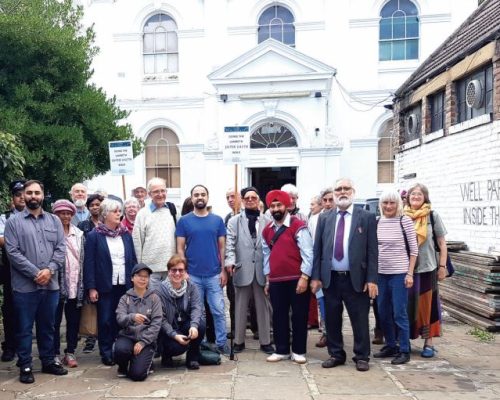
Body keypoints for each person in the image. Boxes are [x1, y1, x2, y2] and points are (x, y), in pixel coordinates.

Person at [311, 178, 378, 372]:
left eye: (346, 188)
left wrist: (372, 279)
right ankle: (336, 354)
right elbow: (318, 249)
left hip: (356, 278)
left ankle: (362, 356)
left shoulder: (365, 217)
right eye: (338, 189)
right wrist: (315, 277)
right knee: (332, 318)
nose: (342, 192)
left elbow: (373, 251)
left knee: (360, 319)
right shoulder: (325, 217)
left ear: (353, 191)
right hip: (330, 278)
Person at [4, 180, 68, 383]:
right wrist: (36, 273)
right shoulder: (14, 222)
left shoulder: (54, 221)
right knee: (23, 328)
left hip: (51, 286)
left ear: (43, 195)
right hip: (25, 287)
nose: (33, 196)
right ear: (24, 195)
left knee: (48, 326)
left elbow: (60, 248)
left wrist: (49, 270)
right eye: (29, 192)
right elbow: (12, 252)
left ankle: (48, 361)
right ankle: (25, 365)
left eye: (37, 192)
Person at [176, 184, 229, 355]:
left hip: (214, 275)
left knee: (218, 310)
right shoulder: (184, 221)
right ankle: (202, 343)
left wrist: (223, 271)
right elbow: (180, 249)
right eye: (196, 194)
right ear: (192, 198)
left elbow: (222, 248)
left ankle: (221, 343)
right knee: (198, 313)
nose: (200, 197)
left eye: (203, 194)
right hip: (193, 276)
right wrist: (184, 272)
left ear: (208, 197)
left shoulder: (217, 220)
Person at [83, 199, 137, 366]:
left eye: (119, 211)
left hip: (125, 284)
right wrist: (91, 287)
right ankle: (106, 352)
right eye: (115, 211)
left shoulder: (125, 234)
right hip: (105, 285)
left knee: (121, 319)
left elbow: (132, 259)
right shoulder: (94, 236)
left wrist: (136, 282)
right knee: (105, 320)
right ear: (105, 214)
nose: (118, 214)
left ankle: (120, 349)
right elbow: (89, 263)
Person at [262, 190, 313, 364]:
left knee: (299, 315)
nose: (276, 209)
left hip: (297, 278)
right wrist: (268, 279)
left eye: (279, 205)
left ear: (286, 206)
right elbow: (266, 255)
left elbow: (308, 253)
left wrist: (305, 277)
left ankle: (299, 350)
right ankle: (282, 349)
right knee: (279, 315)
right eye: (272, 206)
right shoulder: (267, 231)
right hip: (276, 280)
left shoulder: (298, 226)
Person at [225, 187, 274, 354]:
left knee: (263, 306)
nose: (251, 200)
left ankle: (265, 341)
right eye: (247, 198)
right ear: (243, 200)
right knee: (240, 306)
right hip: (241, 269)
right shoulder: (234, 221)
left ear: (258, 200)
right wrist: (230, 261)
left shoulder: (268, 220)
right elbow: (230, 244)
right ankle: (238, 341)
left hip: (262, 269)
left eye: (254, 197)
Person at [373, 189, 418, 365]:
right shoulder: (377, 222)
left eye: (392, 203)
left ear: (398, 204)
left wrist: (409, 273)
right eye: (385, 203)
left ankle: (404, 349)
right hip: (380, 274)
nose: (388, 206)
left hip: (399, 273)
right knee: (382, 312)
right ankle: (391, 345)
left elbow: (414, 250)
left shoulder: (404, 221)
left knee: (399, 312)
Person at [404, 183, 448, 358]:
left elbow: (442, 244)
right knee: (406, 306)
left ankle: (428, 341)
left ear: (425, 197)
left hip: (427, 268)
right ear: (408, 197)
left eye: (419, 194)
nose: (415, 197)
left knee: (427, 306)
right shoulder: (402, 216)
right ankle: (404, 339)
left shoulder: (432, 216)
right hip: (406, 269)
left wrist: (442, 266)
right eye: (413, 194)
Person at [114, 263, 162, 381]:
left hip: (146, 340)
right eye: (139, 275)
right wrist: (132, 317)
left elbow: (156, 324)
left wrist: (143, 342)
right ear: (132, 278)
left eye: (146, 276)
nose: (143, 279)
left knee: (137, 375)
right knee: (120, 349)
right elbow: (119, 318)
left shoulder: (154, 298)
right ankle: (123, 366)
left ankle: (145, 362)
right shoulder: (125, 298)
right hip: (128, 336)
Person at [52, 199, 85, 368]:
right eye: (61, 213)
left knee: (73, 321)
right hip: (56, 284)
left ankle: (70, 352)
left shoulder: (78, 234)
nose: (65, 216)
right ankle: (55, 353)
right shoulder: (50, 233)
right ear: (55, 214)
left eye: (68, 213)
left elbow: (83, 259)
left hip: (75, 284)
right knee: (54, 321)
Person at [157, 254, 205, 369]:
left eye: (180, 270)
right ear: (168, 271)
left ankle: (192, 358)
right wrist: (174, 335)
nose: (177, 273)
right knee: (177, 347)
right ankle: (166, 355)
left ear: (185, 272)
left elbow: (196, 307)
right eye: (174, 270)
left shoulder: (191, 287)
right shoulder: (160, 290)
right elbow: (161, 319)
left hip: (184, 324)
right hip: (168, 329)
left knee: (200, 325)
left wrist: (194, 326)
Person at [133, 177, 176, 289]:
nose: (160, 194)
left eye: (163, 191)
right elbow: (137, 242)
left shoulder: (173, 211)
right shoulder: (142, 214)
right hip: (150, 270)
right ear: (149, 194)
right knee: (152, 302)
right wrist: (141, 268)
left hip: (171, 268)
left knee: (170, 302)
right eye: (156, 191)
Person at [0, 180, 25, 362]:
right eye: (18, 195)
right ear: (12, 198)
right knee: (10, 309)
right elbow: (1, 240)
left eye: (25, 193)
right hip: (11, 270)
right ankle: (10, 346)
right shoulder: (5, 218)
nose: (22, 198)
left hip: (34, 270)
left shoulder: (40, 216)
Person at [77, 193, 104, 354]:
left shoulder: (108, 223)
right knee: (91, 306)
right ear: (88, 208)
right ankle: (90, 338)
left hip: (105, 269)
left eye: (97, 204)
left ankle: (105, 339)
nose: (95, 207)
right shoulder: (83, 225)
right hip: (90, 267)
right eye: (92, 205)